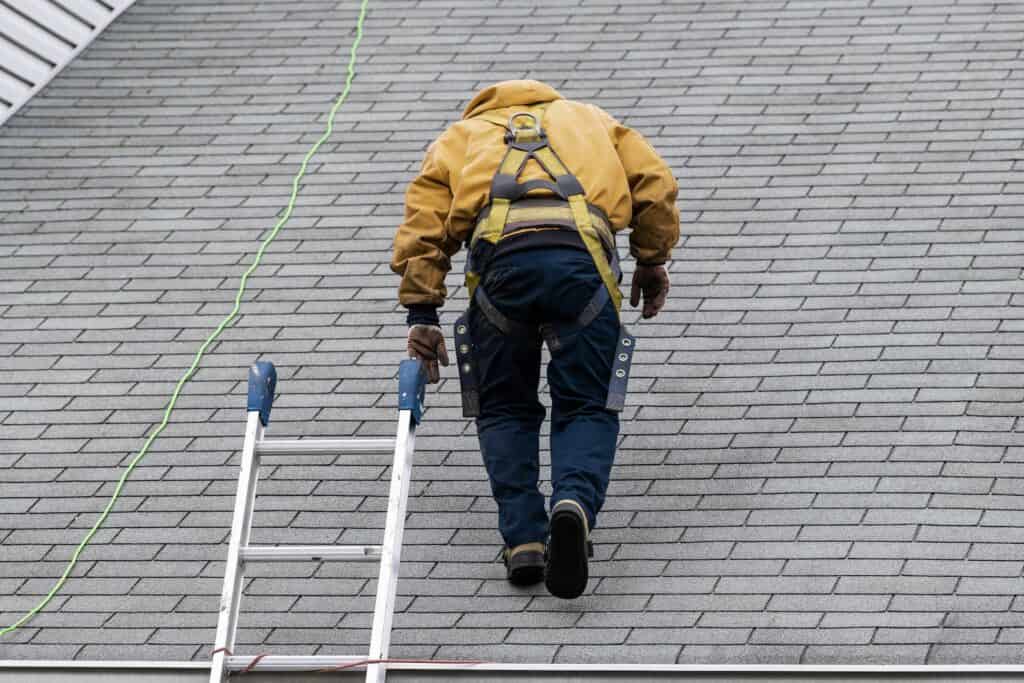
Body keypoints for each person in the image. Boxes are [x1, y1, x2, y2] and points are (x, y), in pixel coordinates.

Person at [391, 80, 679, 599]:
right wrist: (652, 259)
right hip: (581, 267)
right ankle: (573, 505)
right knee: (587, 404)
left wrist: (422, 311)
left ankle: (524, 537)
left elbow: (423, 226)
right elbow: (653, 183)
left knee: (504, 407)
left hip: (502, 272)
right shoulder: (591, 120)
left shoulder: (462, 135)